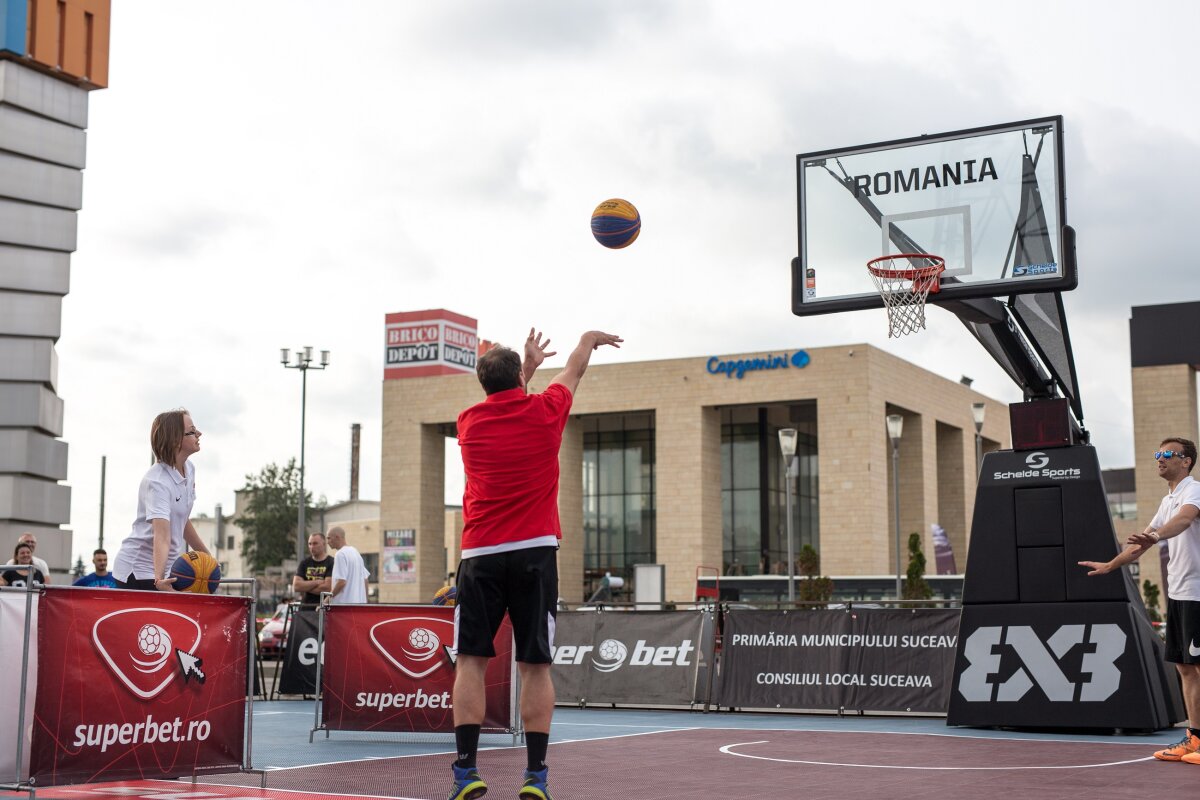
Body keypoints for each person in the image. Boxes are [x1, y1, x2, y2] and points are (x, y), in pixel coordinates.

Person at [449, 328, 621, 800]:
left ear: (483, 384)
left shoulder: (469, 423)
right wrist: (587, 337)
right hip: (535, 551)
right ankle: (536, 778)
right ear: (519, 380)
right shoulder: (546, 411)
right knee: (535, 666)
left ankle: (467, 773)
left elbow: (504, 396)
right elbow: (577, 367)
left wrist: (523, 371)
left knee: (470, 661)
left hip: (481, 554)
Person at [1079, 437, 1200, 764]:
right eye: (1157, 453)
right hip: (1178, 594)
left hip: (1198, 595)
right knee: (1185, 667)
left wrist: (1158, 535)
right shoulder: (1167, 500)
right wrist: (1111, 565)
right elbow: (1141, 544)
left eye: (1167, 454)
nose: (1159, 458)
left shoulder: (1193, 490)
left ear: (1186, 460)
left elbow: (1185, 520)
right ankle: (1195, 739)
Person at [111, 409, 212, 590]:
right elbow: (162, 535)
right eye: (192, 431)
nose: (199, 434)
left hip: (164, 568)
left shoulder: (189, 469)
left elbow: (182, 520)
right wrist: (158, 580)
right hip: (138, 571)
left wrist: (208, 557)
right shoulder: (157, 482)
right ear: (175, 441)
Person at [327, 527, 368, 604]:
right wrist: (365, 602)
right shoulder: (355, 552)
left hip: (343, 607)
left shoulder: (340, 554)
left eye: (329, 538)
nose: (327, 542)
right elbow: (365, 579)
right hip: (358, 606)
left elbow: (341, 582)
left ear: (337, 537)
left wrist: (326, 601)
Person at [294, 532, 335, 606]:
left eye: (315, 543)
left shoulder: (331, 562)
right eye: (310, 544)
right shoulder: (304, 563)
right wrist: (318, 582)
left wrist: (305, 587)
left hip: (323, 608)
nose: (312, 547)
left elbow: (327, 588)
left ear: (324, 544)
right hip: (305, 608)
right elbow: (296, 586)